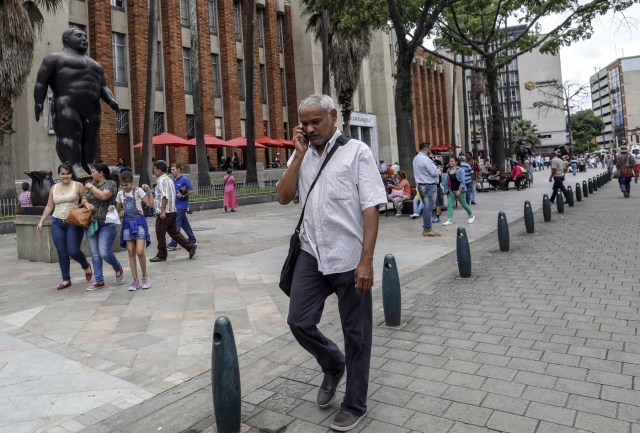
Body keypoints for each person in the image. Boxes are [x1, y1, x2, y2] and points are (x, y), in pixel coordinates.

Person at [275, 94, 387, 432]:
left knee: (357, 334)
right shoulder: (303, 155)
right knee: (298, 321)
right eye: (304, 123)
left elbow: (371, 207)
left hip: (349, 257)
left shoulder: (357, 153)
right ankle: (332, 363)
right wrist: (297, 156)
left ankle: (355, 404)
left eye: (315, 122)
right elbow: (282, 197)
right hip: (311, 253)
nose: (309, 129)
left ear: (333, 116)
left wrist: (366, 262)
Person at [33, 28, 119, 179]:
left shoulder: (96, 65)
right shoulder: (54, 58)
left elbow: (103, 87)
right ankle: (74, 164)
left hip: (92, 108)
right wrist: (38, 102)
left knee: (90, 138)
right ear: (66, 38)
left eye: (85, 36)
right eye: (79, 36)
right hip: (67, 104)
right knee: (71, 135)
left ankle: (89, 164)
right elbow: (41, 82)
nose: (84, 38)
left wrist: (111, 99)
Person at [36, 163, 93, 290]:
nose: (65, 176)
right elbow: (50, 206)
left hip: (73, 221)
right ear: (59, 175)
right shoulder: (54, 188)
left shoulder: (77, 185)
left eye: (67, 173)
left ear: (71, 174)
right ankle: (66, 279)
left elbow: (85, 200)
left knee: (73, 250)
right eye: (62, 174)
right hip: (57, 222)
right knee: (62, 252)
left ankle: (85, 265)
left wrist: (88, 206)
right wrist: (41, 221)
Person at [145, 160, 197, 262]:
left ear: (159, 170)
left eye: (154, 170)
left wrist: (163, 211)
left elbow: (165, 197)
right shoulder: (169, 180)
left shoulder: (161, 181)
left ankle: (161, 254)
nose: (154, 171)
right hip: (173, 210)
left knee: (160, 233)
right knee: (174, 233)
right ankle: (190, 246)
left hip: (165, 212)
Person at [83, 162, 124, 291]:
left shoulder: (111, 184)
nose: (91, 174)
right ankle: (99, 280)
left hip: (107, 223)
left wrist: (90, 186)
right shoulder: (93, 184)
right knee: (95, 254)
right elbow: (83, 198)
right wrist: (86, 204)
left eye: (94, 171)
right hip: (92, 222)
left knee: (104, 252)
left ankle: (117, 267)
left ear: (101, 173)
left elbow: (103, 196)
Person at [111, 170, 153, 291]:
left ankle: (145, 276)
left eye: (127, 184)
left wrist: (148, 191)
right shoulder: (120, 194)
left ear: (131, 182)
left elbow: (150, 205)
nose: (125, 187)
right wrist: (112, 208)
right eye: (123, 185)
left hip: (139, 222)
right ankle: (135, 280)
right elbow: (117, 211)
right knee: (130, 251)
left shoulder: (138, 191)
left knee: (140, 251)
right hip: (127, 224)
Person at [413, 142, 441, 237]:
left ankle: (426, 227)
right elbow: (433, 172)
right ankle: (428, 229)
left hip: (421, 185)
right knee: (428, 208)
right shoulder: (425, 159)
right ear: (426, 149)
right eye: (429, 149)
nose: (430, 151)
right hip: (428, 185)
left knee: (426, 208)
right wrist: (438, 170)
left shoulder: (416, 158)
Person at [167, 163, 197, 251]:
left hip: (182, 205)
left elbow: (191, 190)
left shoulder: (184, 179)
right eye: (171, 170)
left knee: (177, 223)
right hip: (175, 205)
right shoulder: (174, 180)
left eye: (173, 169)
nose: (171, 171)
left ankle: (174, 242)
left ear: (178, 169)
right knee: (185, 223)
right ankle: (192, 239)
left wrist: (183, 195)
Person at [441, 156, 475, 226]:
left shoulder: (460, 170)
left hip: (460, 190)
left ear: (456, 162)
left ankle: (471, 216)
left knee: (464, 204)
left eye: (452, 161)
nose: (450, 162)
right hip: (450, 190)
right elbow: (446, 180)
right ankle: (449, 219)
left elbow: (463, 181)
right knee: (450, 205)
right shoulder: (448, 170)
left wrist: (459, 190)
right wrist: (442, 185)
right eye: (450, 161)